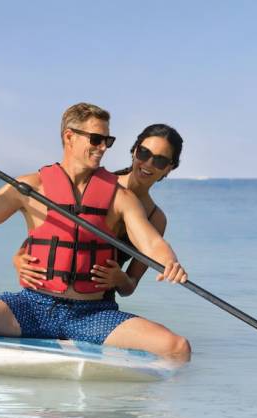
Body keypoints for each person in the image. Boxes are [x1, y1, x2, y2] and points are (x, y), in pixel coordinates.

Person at [0, 103, 191, 363]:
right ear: (69, 136)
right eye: (96, 139)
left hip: (93, 314)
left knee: (177, 347)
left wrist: (170, 262)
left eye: (107, 141)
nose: (103, 148)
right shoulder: (31, 186)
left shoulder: (121, 197)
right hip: (33, 306)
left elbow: (151, 242)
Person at [14, 124, 180, 303]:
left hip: (98, 303)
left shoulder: (156, 218)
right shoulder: (95, 184)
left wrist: (120, 278)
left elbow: (129, 287)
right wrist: (18, 260)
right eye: (144, 153)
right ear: (134, 151)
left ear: (169, 168)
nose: (148, 163)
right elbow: (44, 234)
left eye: (160, 160)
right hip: (48, 292)